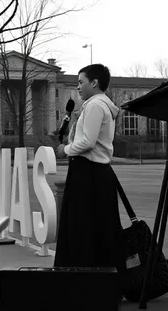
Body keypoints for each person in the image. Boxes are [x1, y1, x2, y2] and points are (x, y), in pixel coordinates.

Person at [54, 64, 122, 271]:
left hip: (88, 173)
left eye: (81, 82)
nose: (78, 87)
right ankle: (103, 280)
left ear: (94, 83)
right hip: (97, 174)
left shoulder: (95, 106)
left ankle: (83, 278)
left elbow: (88, 142)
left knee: (82, 228)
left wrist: (65, 149)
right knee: (100, 229)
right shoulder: (101, 105)